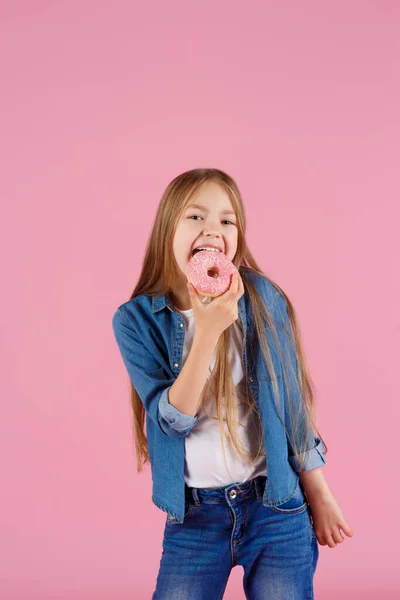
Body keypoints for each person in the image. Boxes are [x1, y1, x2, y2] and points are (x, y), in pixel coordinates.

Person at [112, 168, 354, 599]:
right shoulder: (135, 320)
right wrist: (206, 331)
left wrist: (318, 490)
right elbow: (171, 421)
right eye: (196, 217)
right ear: (168, 227)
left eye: (227, 220)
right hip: (195, 518)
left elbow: (291, 401)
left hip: (275, 506)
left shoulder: (262, 297)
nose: (214, 230)